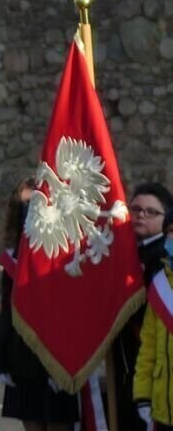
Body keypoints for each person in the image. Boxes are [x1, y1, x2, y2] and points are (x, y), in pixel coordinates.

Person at [0, 177, 78, 431]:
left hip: (59, 358)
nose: (27, 213)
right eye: (22, 207)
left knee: (61, 423)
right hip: (24, 358)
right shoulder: (12, 258)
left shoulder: (66, 255)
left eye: (34, 206)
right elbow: (7, 310)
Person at [113, 181, 173, 430]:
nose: (140, 216)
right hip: (142, 378)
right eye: (135, 209)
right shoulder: (123, 255)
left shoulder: (159, 263)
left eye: (150, 212)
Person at [134, 208, 173, 430]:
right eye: (169, 232)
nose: (171, 238)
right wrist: (142, 395)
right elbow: (147, 347)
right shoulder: (160, 284)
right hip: (162, 409)